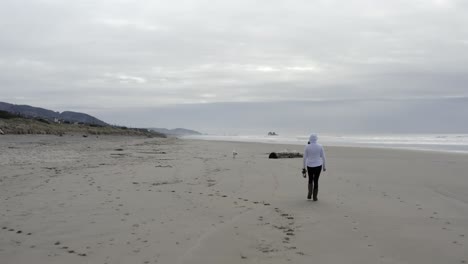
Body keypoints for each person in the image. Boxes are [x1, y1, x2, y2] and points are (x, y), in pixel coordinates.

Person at [302, 134, 326, 201]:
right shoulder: (320, 146)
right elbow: (323, 157)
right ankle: (315, 197)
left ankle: (309, 194)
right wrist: (324, 166)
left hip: (309, 165)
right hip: (318, 166)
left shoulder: (307, 146)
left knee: (310, 179)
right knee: (316, 180)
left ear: (310, 139)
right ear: (316, 139)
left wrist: (304, 167)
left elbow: (304, 158)